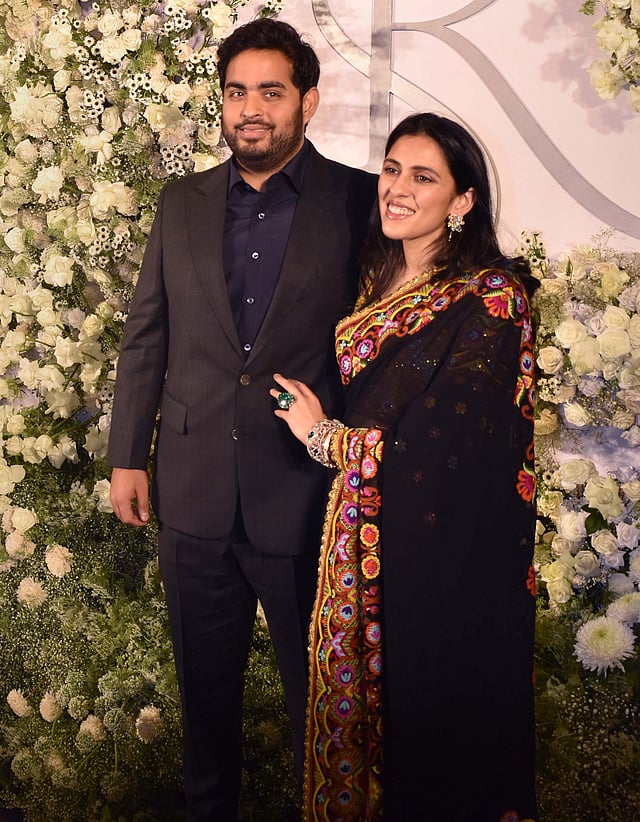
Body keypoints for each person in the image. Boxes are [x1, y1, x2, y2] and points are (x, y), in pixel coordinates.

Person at [107, 17, 377, 821]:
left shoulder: (360, 200)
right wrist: (128, 456)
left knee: (320, 712)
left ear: (307, 101)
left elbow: (380, 341)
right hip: (192, 497)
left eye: (270, 91)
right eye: (236, 92)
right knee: (205, 708)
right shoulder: (180, 202)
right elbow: (147, 333)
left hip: (303, 496)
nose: (250, 109)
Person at [270, 112, 539, 822]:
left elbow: (447, 448)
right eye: (392, 170)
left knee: (433, 741)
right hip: (364, 540)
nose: (397, 188)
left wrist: (325, 438)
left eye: (423, 177)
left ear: (462, 200)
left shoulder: (490, 297)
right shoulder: (372, 277)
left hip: (445, 564)